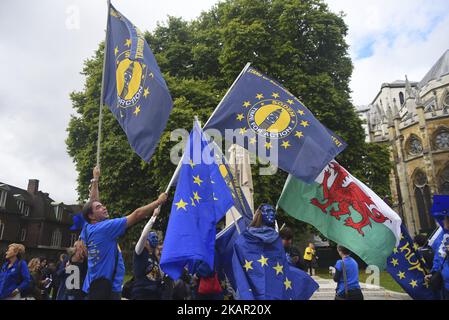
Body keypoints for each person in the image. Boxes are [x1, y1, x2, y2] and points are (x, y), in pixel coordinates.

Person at [80, 165, 168, 300]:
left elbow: (92, 202)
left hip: (93, 287)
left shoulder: (87, 228)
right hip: (108, 290)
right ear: (92, 216)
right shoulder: (105, 228)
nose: (104, 207)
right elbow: (137, 214)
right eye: (99, 207)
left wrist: (96, 179)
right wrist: (158, 201)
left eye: (102, 205)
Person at [131, 207, 163, 300]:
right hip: (141, 293)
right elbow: (144, 234)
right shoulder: (139, 252)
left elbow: (160, 275)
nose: (155, 240)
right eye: (151, 239)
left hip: (154, 293)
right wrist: (153, 217)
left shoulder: (154, 256)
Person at [426, 215, 449, 299]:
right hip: (445, 284)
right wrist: (434, 272)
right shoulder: (443, 234)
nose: (442, 221)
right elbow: (440, 257)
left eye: (444, 219)